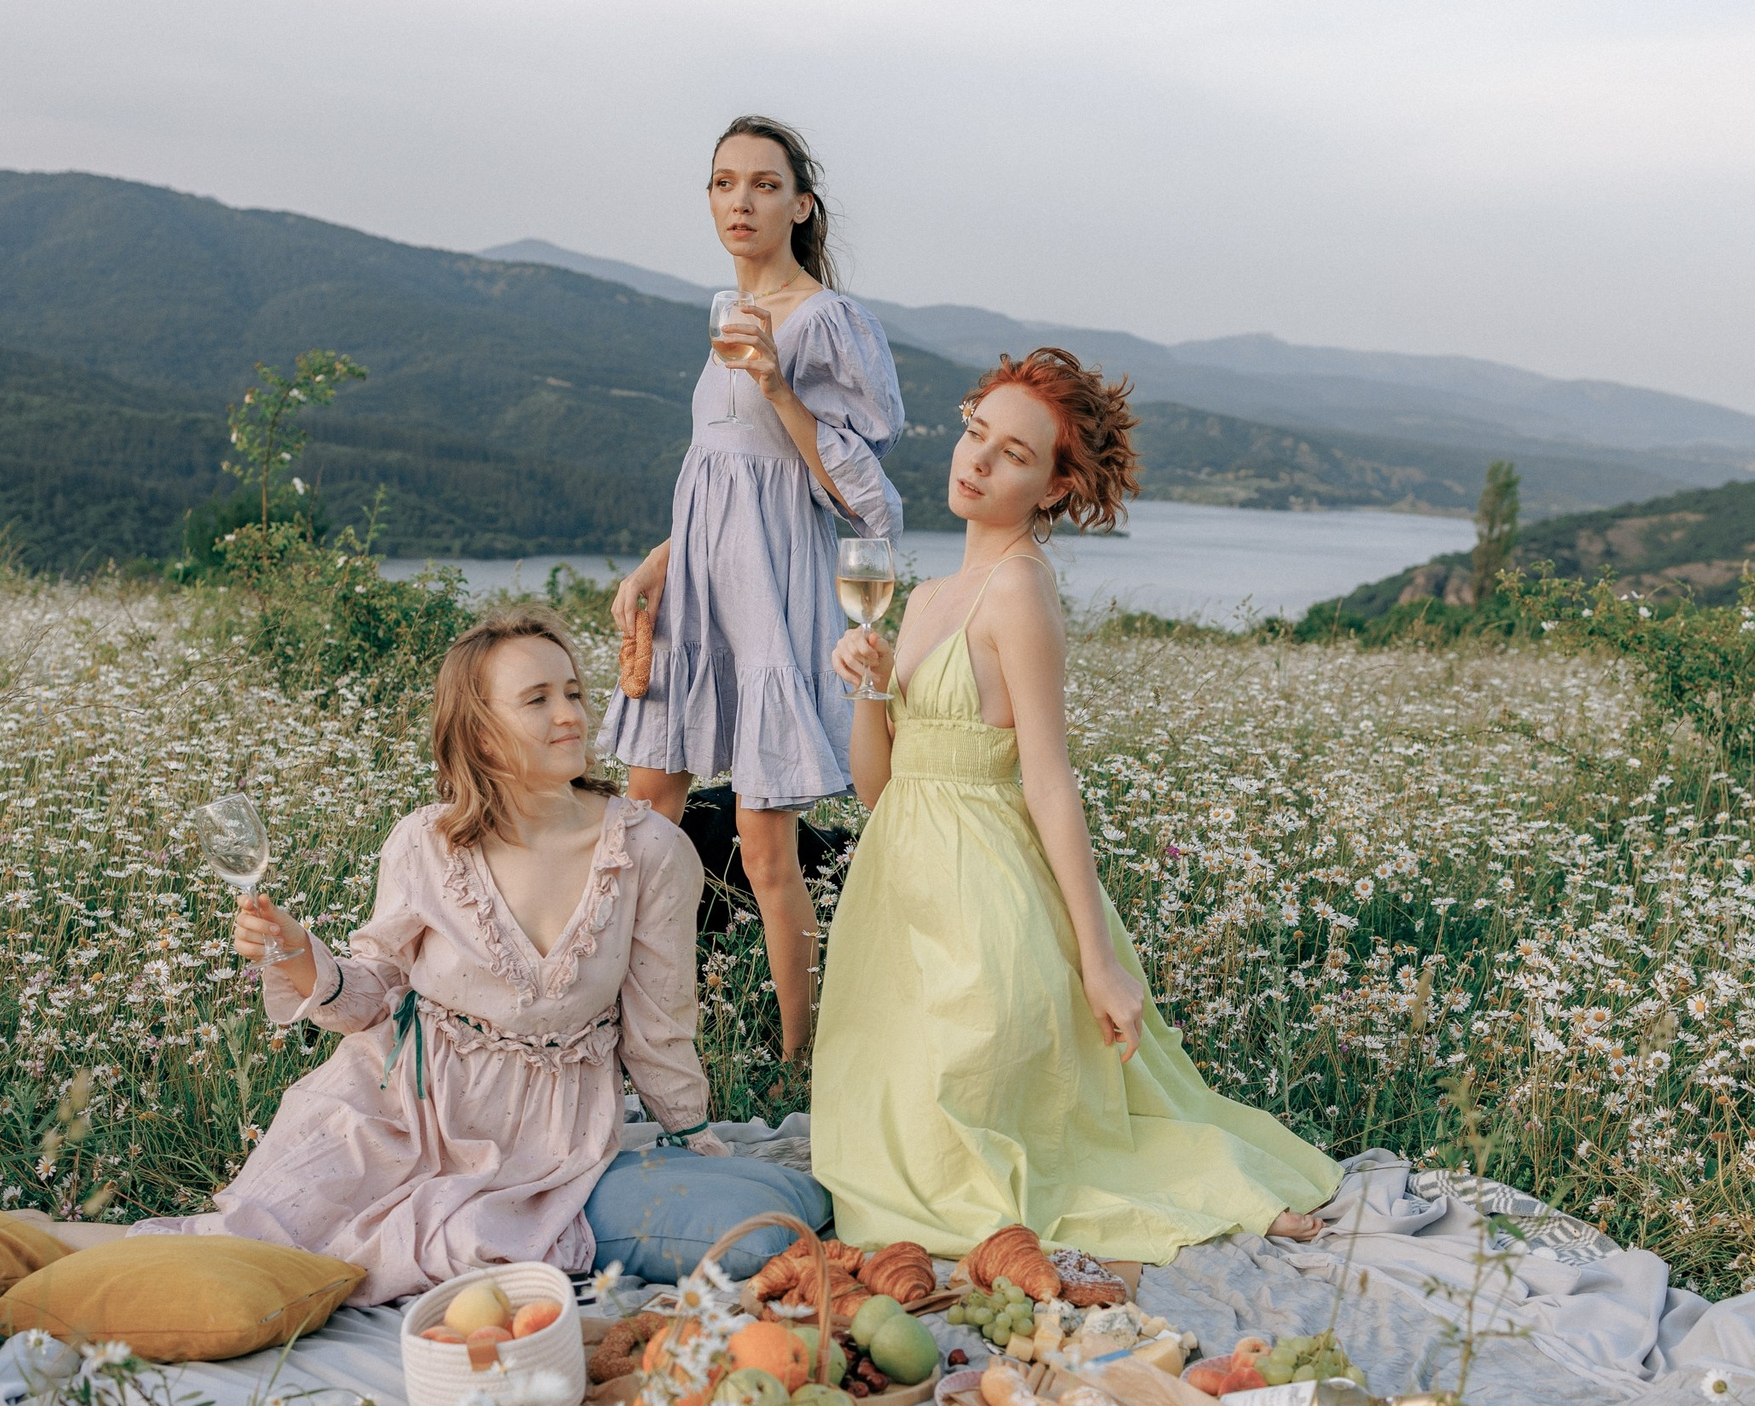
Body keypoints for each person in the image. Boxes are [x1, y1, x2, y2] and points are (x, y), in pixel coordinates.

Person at [72, 610, 827, 1304]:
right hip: (394, 1105)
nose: (570, 714)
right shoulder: (426, 843)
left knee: (453, 1246)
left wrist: (691, 1137)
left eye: (572, 691)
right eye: (536, 700)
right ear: (480, 730)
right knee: (246, 1245)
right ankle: (54, 1257)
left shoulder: (650, 851)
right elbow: (369, 994)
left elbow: (660, 1029)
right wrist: (300, 951)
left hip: (545, 1143)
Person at [811, 350, 1343, 1263]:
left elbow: (1051, 781)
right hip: (897, 900)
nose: (975, 461)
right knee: (877, 1160)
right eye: (976, 433)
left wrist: (1098, 963)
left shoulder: (1017, 589)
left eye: (1013, 454)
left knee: (966, 1160)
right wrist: (865, 683)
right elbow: (879, 792)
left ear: (1053, 487)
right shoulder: (927, 595)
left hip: (981, 895)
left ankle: (1208, 1188)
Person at [602, 114, 906, 1070]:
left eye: (764, 185)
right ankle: (618, 1028)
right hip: (696, 588)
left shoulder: (826, 323)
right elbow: (717, 471)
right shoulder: (719, 310)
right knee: (641, 820)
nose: (741, 200)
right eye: (725, 183)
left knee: (766, 844)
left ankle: (799, 1058)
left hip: (770, 597)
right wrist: (656, 564)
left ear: (800, 204)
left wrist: (780, 388)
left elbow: (861, 499)